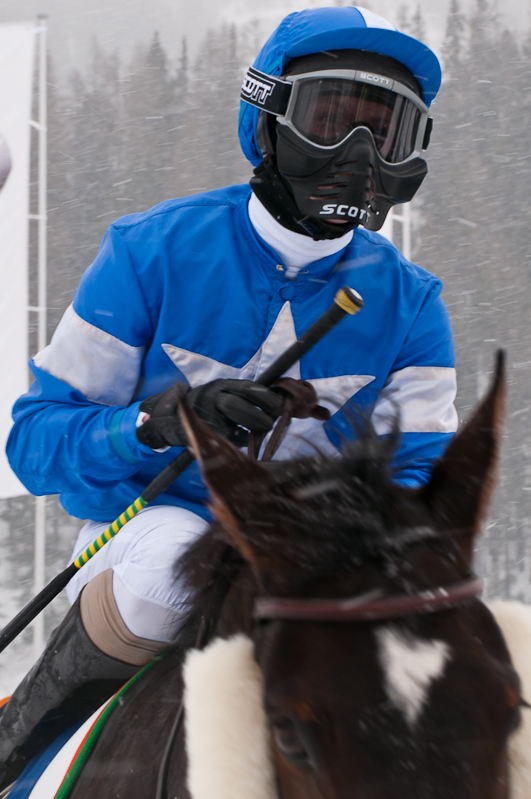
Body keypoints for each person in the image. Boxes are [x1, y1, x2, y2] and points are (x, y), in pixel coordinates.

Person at [0, 4, 457, 784]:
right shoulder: (150, 250)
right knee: (173, 567)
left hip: (322, 561)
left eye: (383, 132)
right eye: (329, 119)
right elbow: (35, 441)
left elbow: (428, 483)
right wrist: (154, 425)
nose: (355, 152)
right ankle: (17, 751)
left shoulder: (410, 301)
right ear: (267, 120)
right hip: (150, 532)